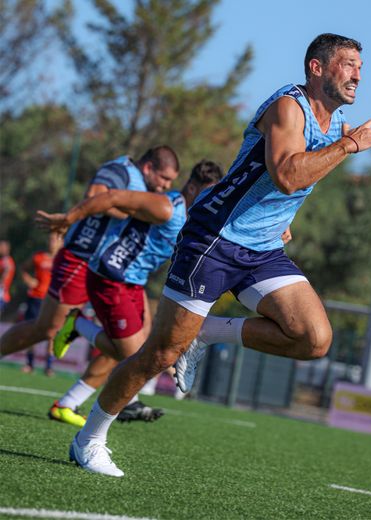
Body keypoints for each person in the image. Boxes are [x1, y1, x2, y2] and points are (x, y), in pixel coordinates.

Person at [63, 33, 371, 477]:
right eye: (348, 63)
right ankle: (88, 439)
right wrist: (350, 146)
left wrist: (283, 218)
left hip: (261, 249)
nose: (358, 73)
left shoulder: (334, 123)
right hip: (215, 240)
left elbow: (286, 188)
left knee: (313, 338)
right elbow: (288, 177)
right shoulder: (289, 107)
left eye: (359, 65)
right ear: (316, 68)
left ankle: (209, 333)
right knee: (159, 353)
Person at [37, 160, 224, 425]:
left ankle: (67, 403)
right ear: (192, 187)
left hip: (132, 283)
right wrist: (69, 218)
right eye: (207, 193)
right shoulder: (167, 207)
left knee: (135, 350)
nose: (211, 200)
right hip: (110, 278)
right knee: (134, 355)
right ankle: (78, 324)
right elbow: (112, 196)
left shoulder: (192, 213)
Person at [0, 146, 179, 420]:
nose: (166, 186)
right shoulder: (119, 170)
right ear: (148, 168)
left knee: (132, 337)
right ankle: (77, 327)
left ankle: (71, 403)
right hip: (80, 260)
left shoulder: (148, 193)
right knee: (45, 329)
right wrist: (127, 205)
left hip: (114, 270)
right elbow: (96, 197)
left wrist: (131, 205)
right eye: (164, 179)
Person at [20, 232, 62, 375]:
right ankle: (30, 364)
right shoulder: (38, 257)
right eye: (51, 239)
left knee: (51, 333)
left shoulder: (64, 259)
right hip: (36, 298)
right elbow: (23, 268)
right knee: (32, 330)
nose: (52, 242)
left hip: (54, 300)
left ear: (61, 242)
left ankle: (49, 366)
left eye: (56, 239)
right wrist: (29, 280)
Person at [0, 240, 16, 316]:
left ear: (6, 248)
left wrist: (2, 282)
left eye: (1, 246)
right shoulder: (4, 260)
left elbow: (7, 269)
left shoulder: (6, 260)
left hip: (2, 294)